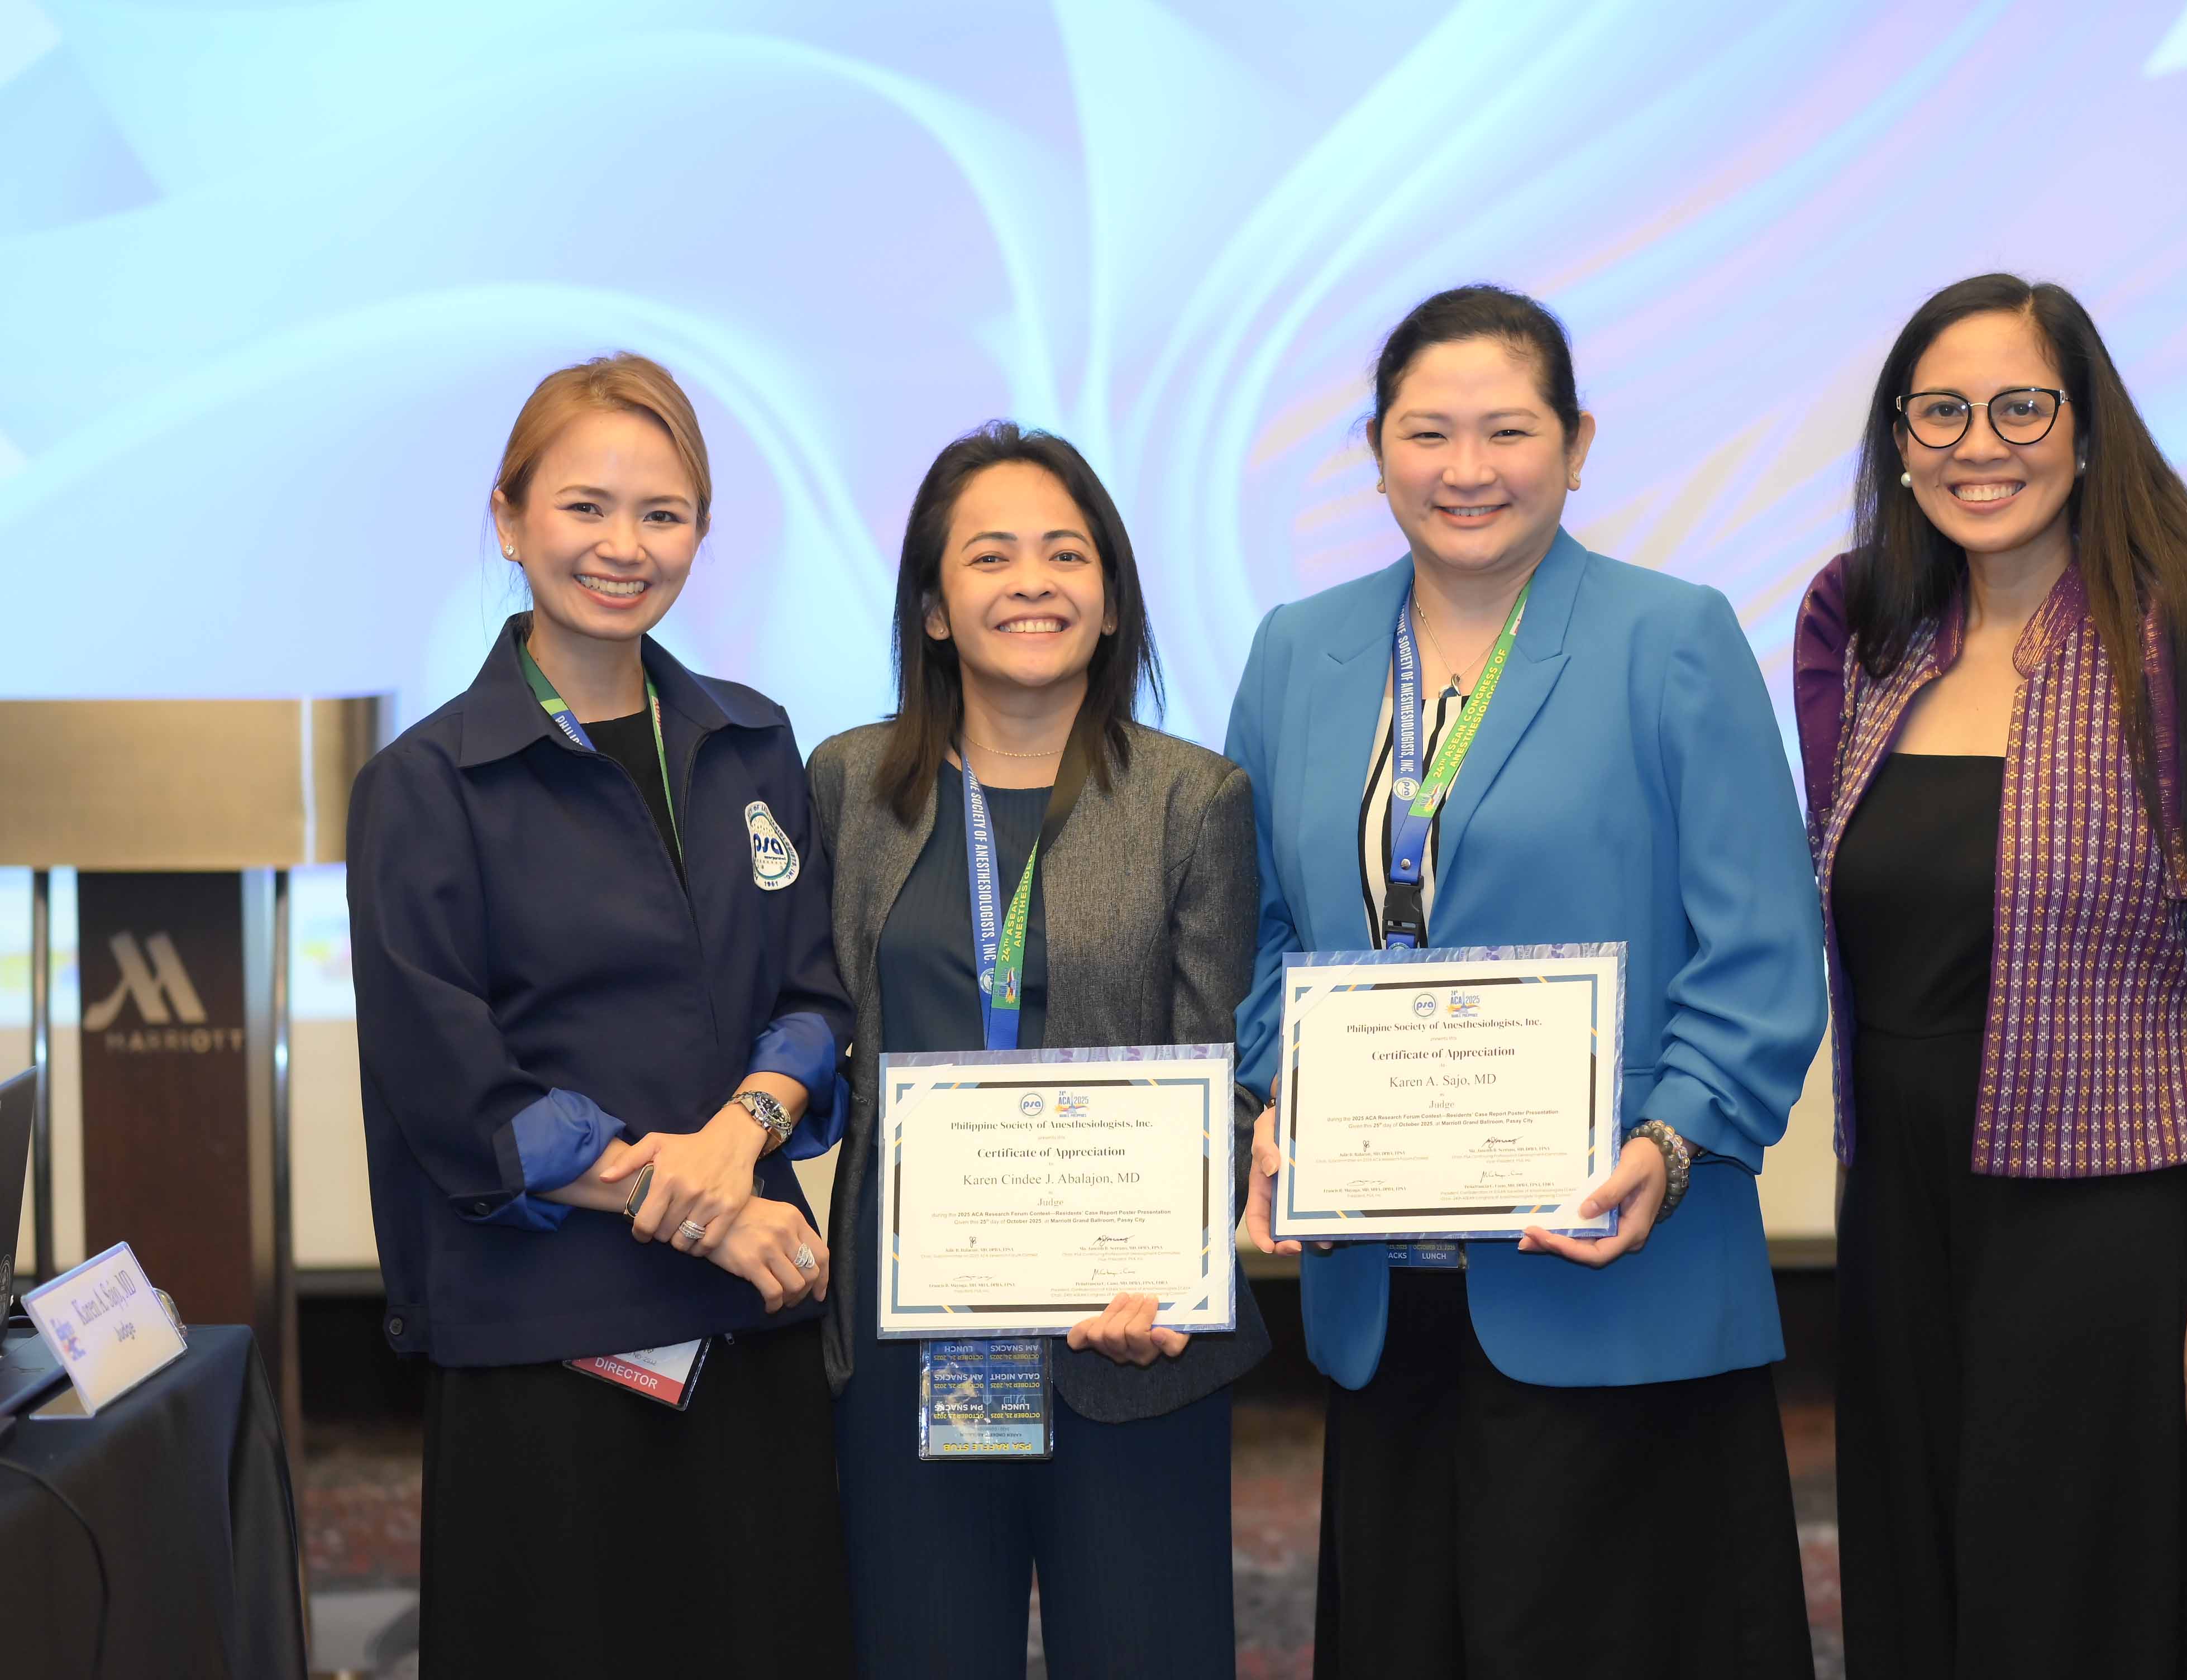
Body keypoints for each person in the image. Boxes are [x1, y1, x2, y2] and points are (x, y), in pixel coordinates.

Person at [1228, 284, 1827, 1678]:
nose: (1468, 468)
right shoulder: (1299, 651)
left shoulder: (1671, 637)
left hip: (1613, 1270)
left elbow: (1760, 947)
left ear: (1578, 443)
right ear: (1376, 452)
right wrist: (1278, 1100)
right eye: (1427, 433)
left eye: (1508, 430)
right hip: (1383, 1288)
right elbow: (1257, 931)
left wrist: (1670, 1143)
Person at [1794, 273, 2187, 1678]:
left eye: (2022, 408)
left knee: (2073, 1615)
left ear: (2088, 429)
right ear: (1899, 444)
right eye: (1941, 413)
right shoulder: (1870, 634)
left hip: (2105, 1231)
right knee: (1918, 1592)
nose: (1981, 446)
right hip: (1899, 1212)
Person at [346, 354, 854, 1675]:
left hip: (754, 1326)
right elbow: (458, 1093)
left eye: (662, 513)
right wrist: (704, 1207)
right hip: (547, 1341)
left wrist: (739, 1142)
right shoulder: (427, 784)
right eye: (585, 507)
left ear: (700, 533)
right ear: (510, 519)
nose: (623, 546)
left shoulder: (753, 743)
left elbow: (813, 999)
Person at [810, 421, 1266, 1677]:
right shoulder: (849, 784)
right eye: (991, 555)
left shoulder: (1194, 800)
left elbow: (1224, 1070)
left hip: (1128, 1336)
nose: (1032, 582)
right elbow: (812, 1021)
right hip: (907, 1340)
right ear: (934, 607)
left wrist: (1174, 1275)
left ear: (1111, 602)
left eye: (1067, 555)